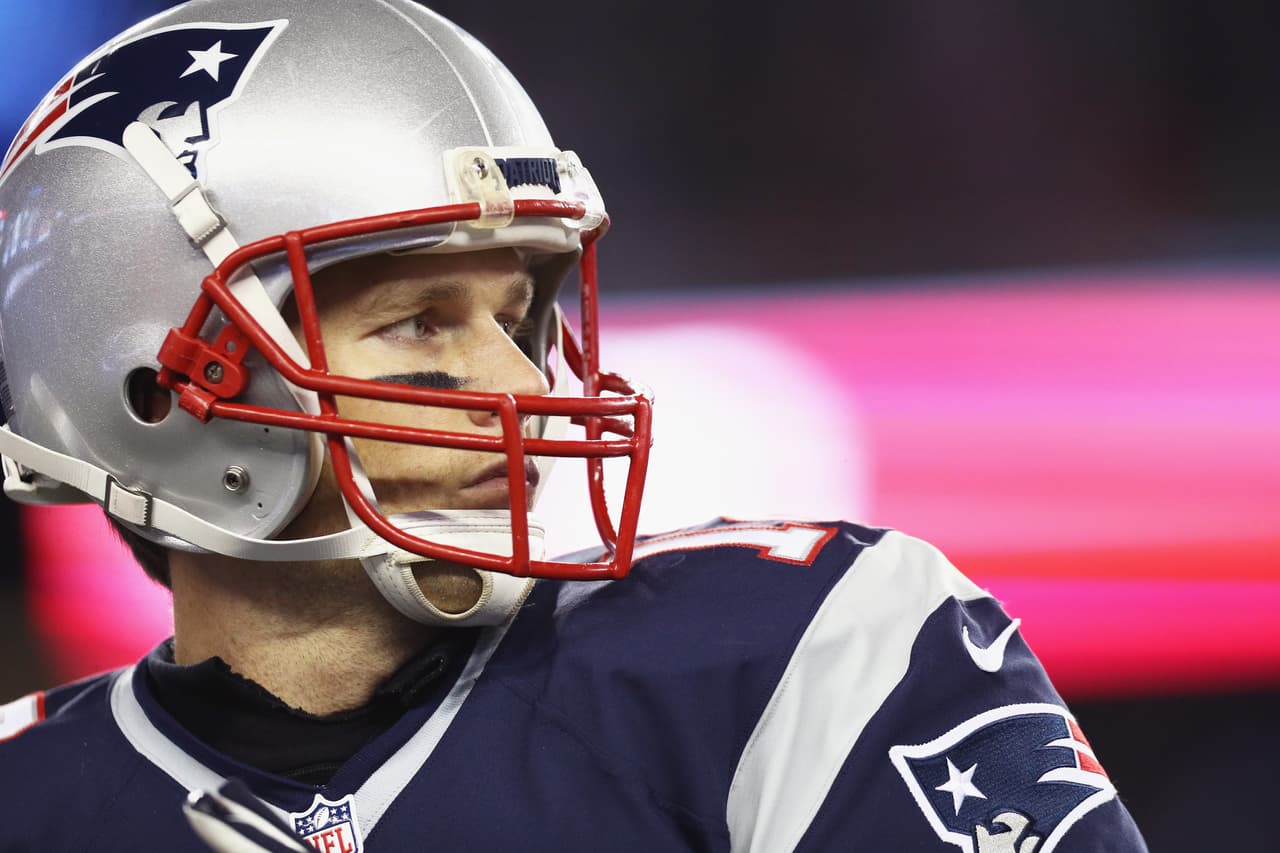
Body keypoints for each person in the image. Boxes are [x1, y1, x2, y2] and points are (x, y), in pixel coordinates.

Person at [0, 1, 1148, 850]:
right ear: (149, 386)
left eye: (518, 315)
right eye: (415, 322)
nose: (515, 379)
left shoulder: (804, 649)